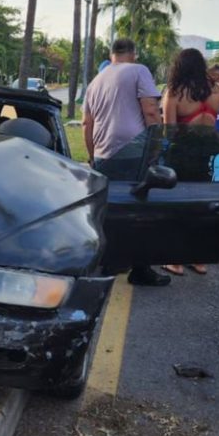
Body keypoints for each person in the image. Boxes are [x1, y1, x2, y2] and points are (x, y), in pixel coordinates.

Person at [159, 49, 219, 274]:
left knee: (179, 205)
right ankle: (198, 259)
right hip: (209, 152)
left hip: (183, 154)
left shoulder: (175, 92)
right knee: (203, 205)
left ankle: (175, 261)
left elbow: (169, 131)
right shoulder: (217, 90)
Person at [83, 38, 170, 286]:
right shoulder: (138, 70)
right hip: (133, 150)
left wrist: (92, 155)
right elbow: (151, 110)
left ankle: (111, 261)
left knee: (110, 211)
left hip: (103, 152)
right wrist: (156, 145)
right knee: (141, 210)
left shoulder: (96, 81)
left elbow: (87, 123)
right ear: (133, 53)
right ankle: (141, 269)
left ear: (111, 54)